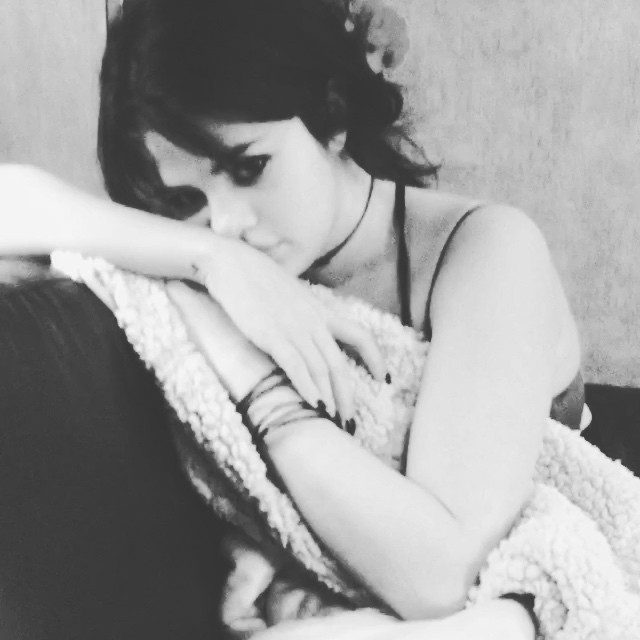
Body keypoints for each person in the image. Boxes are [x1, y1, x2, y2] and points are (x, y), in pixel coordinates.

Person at [0, 0, 585, 636]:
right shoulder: (213, 254)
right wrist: (210, 259)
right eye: (187, 197)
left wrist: (258, 383)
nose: (229, 223)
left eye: (249, 167)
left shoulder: (482, 249)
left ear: (332, 115)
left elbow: (441, 580)